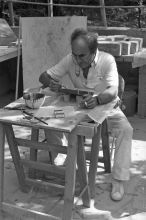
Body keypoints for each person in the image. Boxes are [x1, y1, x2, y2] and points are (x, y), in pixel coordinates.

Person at [39, 28, 133, 201]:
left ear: (93, 51)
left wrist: (97, 100)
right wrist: (51, 83)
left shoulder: (107, 60)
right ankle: (60, 158)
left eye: (81, 56)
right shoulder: (71, 59)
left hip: (105, 105)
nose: (77, 59)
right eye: (74, 54)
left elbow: (113, 90)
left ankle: (119, 179)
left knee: (126, 129)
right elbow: (43, 76)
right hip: (79, 105)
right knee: (49, 117)